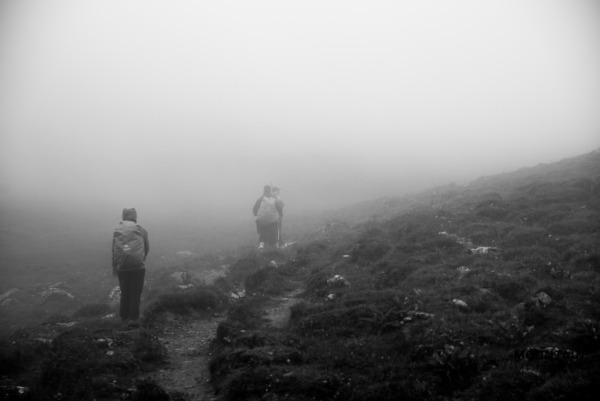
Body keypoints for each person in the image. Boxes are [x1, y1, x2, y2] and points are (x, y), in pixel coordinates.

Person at [111, 208, 149, 323]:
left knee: (125, 293)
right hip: (138, 268)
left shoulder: (118, 229)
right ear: (135, 216)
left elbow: (114, 249)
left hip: (122, 267)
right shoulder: (141, 230)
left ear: (123, 216)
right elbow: (146, 248)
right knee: (135, 294)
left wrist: (115, 265)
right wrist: (141, 258)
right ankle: (133, 319)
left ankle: (123, 318)